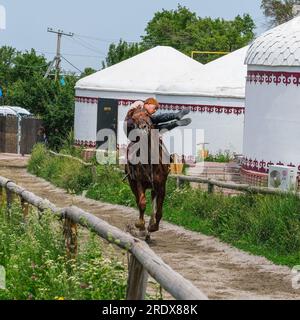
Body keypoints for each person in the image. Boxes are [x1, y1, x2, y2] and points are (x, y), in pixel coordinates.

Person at [124, 98, 191, 138]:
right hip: (132, 130)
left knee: (156, 128)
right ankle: (175, 116)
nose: (155, 110)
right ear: (148, 103)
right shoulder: (139, 105)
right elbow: (133, 115)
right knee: (155, 119)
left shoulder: (146, 114)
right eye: (155, 108)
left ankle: (175, 123)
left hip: (139, 130)